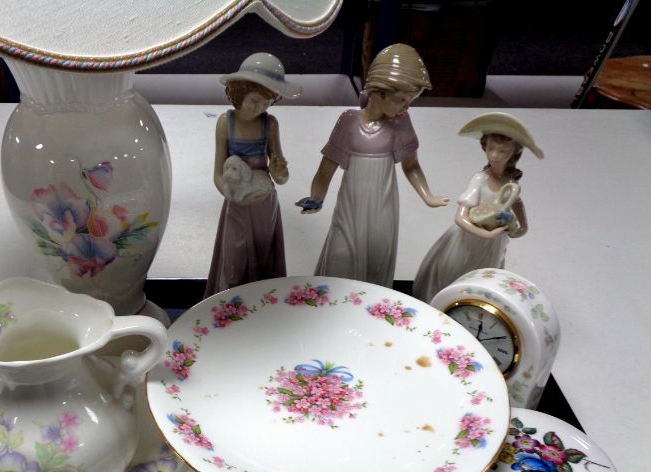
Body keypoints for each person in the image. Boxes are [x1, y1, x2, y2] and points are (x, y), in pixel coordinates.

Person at [297, 43, 448, 288]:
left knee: (377, 261)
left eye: (410, 101)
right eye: (402, 100)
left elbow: (411, 166)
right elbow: (326, 170)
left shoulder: (400, 123)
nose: (406, 108)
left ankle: (373, 306)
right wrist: (316, 198)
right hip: (350, 208)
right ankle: (332, 303)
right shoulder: (348, 121)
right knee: (341, 256)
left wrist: (427, 196)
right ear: (379, 92)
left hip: (383, 208)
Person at [411, 112, 544, 303]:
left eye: (502, 151)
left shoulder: (511, 182)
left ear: (513, 153)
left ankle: (471, 304)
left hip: (494, 242)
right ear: (484, 147)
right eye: (491, 149)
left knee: (483, 276)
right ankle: (442, 303)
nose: (494, 155)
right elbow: (460, 217)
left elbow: (516, 201)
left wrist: (522, 226)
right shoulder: (480, 179)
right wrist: (486, 234)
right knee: (455, 270)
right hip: (468, 238)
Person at [205, 52, 301, 296]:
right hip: (237, 203)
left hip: (264, 204)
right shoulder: (225, 123)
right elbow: (217, 174)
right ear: (239, 93)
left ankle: (262, 306)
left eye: (266, 103)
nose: (260, 108)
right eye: (254, 101)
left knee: (263, 258)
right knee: (234, 260)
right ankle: (230, 307)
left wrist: (280, 172)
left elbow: (281, 177)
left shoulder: (270, 124)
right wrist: (235, 197)